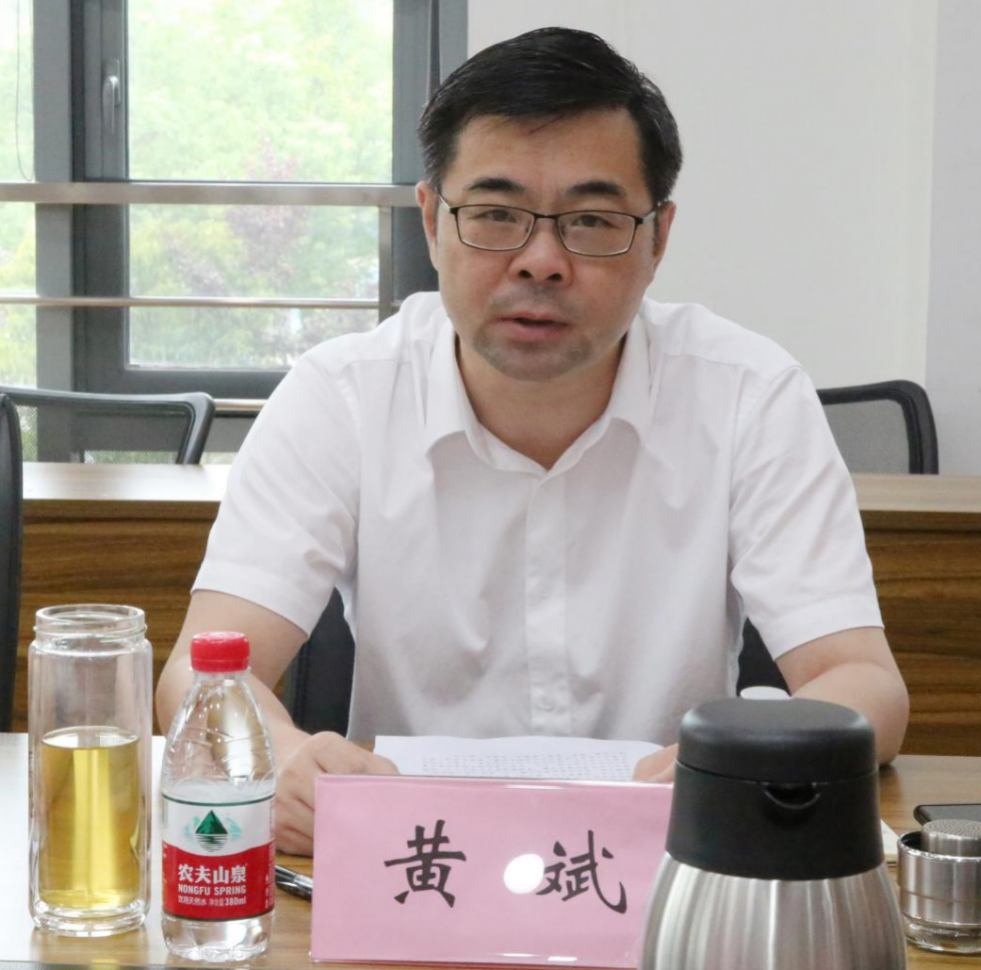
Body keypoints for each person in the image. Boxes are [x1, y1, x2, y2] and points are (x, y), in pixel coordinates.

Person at [157, 27, 909, 855]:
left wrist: (743, 759)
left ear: (658, 237)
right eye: (496, 216)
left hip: (665, 862)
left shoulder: (747, 396)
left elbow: (863, 681)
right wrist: (286, 759)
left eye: (591, 221)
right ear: (432, 222)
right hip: (412, 865)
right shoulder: (339, 396)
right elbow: (200, 672)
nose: (541, 261)